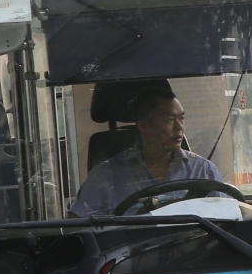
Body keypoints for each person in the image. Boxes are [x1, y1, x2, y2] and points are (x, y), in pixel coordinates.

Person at [70, 88, 226, 218]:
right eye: (170, 120)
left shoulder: (204, 171)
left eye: (182, 118)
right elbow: (76, 229)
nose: (180, 128)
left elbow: (229, 222)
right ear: (144, 126)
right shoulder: (105, 176)